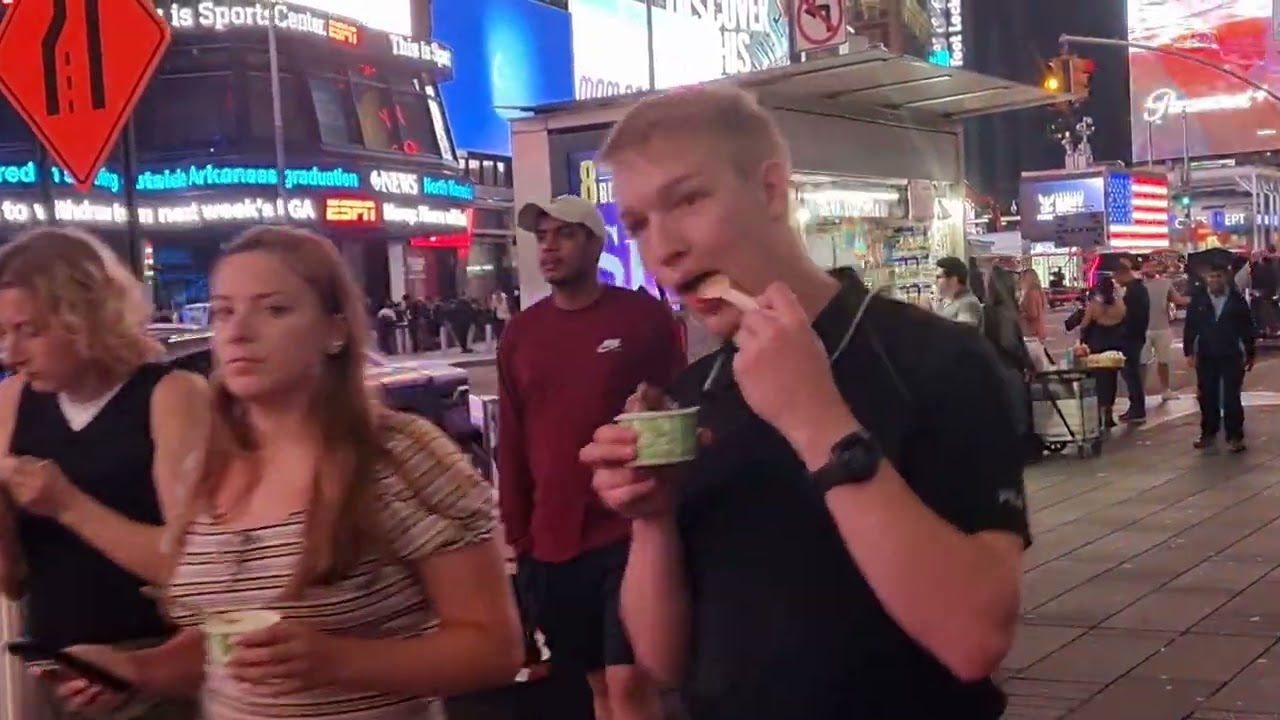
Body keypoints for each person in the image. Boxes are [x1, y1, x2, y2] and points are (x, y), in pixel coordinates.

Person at [580, 85, 1028, 719]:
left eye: (688, 199)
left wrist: (815, 418)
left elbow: (975, 639)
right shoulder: (693, 394)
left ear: (769, 191)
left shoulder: (935, 359)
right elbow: (663, 661)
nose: (663, 247)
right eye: (637, 223)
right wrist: (652, 518)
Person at [49, 226, 522, 719]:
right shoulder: (209, 464)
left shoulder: (400, 456)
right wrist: (134, 669)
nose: (237, 331)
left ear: (335, 330)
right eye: (223, 311)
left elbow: (494, 650)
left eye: (274, 309)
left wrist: (339, 660)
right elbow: (224, 650)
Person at [0, 227, 208, 720]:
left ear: (86, 318)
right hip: (54, 668)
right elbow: (13, 582)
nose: (10, 353)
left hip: (157, 669)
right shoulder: (11, 402)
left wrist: (68, 504)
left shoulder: (171, 396)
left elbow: (193, 569)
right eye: (3, 333)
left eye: (30, 331)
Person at [502, 195, 683, 720]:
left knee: (630, 686)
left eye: (565, 234)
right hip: (553, 539)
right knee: (599, 686)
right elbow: (512, 439)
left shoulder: (641, 317)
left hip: (625, 531)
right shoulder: (523, 333)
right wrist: (519, 537)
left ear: (595, 243)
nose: (550, 247)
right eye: (543, 237)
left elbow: (676, 406)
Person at [1184, 262, 1256, 453]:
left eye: (1218, 276)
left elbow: (1247, 327)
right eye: (1211, 276)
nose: (1214, 280)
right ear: (1206, 279)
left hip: (1231, 353)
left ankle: (1234, 436)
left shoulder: (1236, 300)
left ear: (1225, 278)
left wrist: (1250, 353)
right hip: (1206, 354)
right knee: (1207, 395)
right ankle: (1208, 432)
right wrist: (1189, 351)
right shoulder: (1199, 301)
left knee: (1232, 396)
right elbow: (1190, 327)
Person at [1078, 277, 1127, 428]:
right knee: (1111, 380)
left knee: (1097, 380)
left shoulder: (1095, 306)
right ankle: (1108, 413)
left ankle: (1097, 414)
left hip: (1097, 345)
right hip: (1114, 345)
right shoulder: (1120, 305)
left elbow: (1084, 324)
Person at [1141, 261, 1189, 401]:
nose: (1151, 268)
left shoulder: (1165, 284)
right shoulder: (1138, 285)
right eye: (1148, 265)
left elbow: (1178, 300)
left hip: (1162, 327)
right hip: (1143, 329)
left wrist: (1196, 298)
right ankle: (1140, 392)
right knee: (1142, 362)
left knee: (1164, 361)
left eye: (1153, 266)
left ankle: (1165, 390)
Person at [1113, 257, 1150, 423]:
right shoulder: (1137, 289)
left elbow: (1132, 316)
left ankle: (1137, 408)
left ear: (1122, 274)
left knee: (1131, 374)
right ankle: (1136, 407)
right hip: (1135, 336)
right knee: (1131, 374)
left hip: (1131, 337)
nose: (1116, 281)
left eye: (1116, 277)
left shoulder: (1134, 291)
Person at [934, 256, 982, 327]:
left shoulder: (968, 303)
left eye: (939, 277)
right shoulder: (946, 301)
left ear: (953, 280)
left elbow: (964, 333)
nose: (935, 281)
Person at [1018, 268, 1046, 342]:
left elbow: (1033, 314)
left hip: (1032, 331)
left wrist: (1020, 314)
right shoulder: (1039, 292)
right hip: (1039, 329)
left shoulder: (1030, 293)